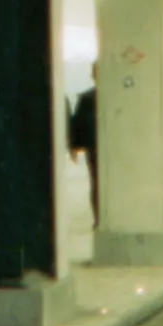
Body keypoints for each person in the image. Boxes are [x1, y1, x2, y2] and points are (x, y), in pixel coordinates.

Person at [67, 62, 99, 226]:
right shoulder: (86, 98)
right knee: (97, 183)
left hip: (113, 148)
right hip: (94, 148)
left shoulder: (120, 97)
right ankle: (98, 218)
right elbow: (78, 123)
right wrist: (74, 146)